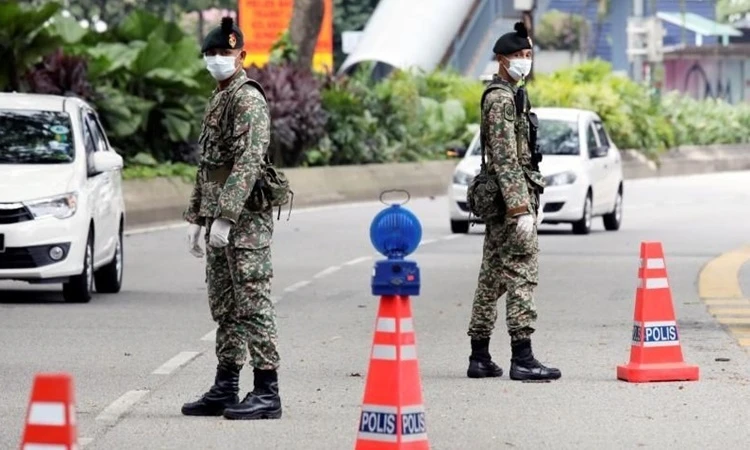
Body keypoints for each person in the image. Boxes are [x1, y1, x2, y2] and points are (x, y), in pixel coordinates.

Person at [181, 17, 282, 420]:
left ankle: (267, 391)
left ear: (242, 55)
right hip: (218, 217)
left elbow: (248, 162)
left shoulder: (247, 98)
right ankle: (226, 387)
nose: (218, 60)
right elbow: (208, 166)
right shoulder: (219, 97)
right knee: (225, 306)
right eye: (212, 54)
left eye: (226, 53)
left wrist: (224, 217)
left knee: (253, 303)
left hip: (246, 221)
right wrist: (196, 216)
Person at [465, 22, 561, 382]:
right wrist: (521, 209)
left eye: (528, 55)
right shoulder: (501, 99)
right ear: (502, 60)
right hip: (510, 203)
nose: (525, 61)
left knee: (491, 277)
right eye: (518, 56)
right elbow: (505, 158)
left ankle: (480, 356)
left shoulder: (513, 93)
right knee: (522, 274)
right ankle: (523, 358)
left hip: (509, 197)